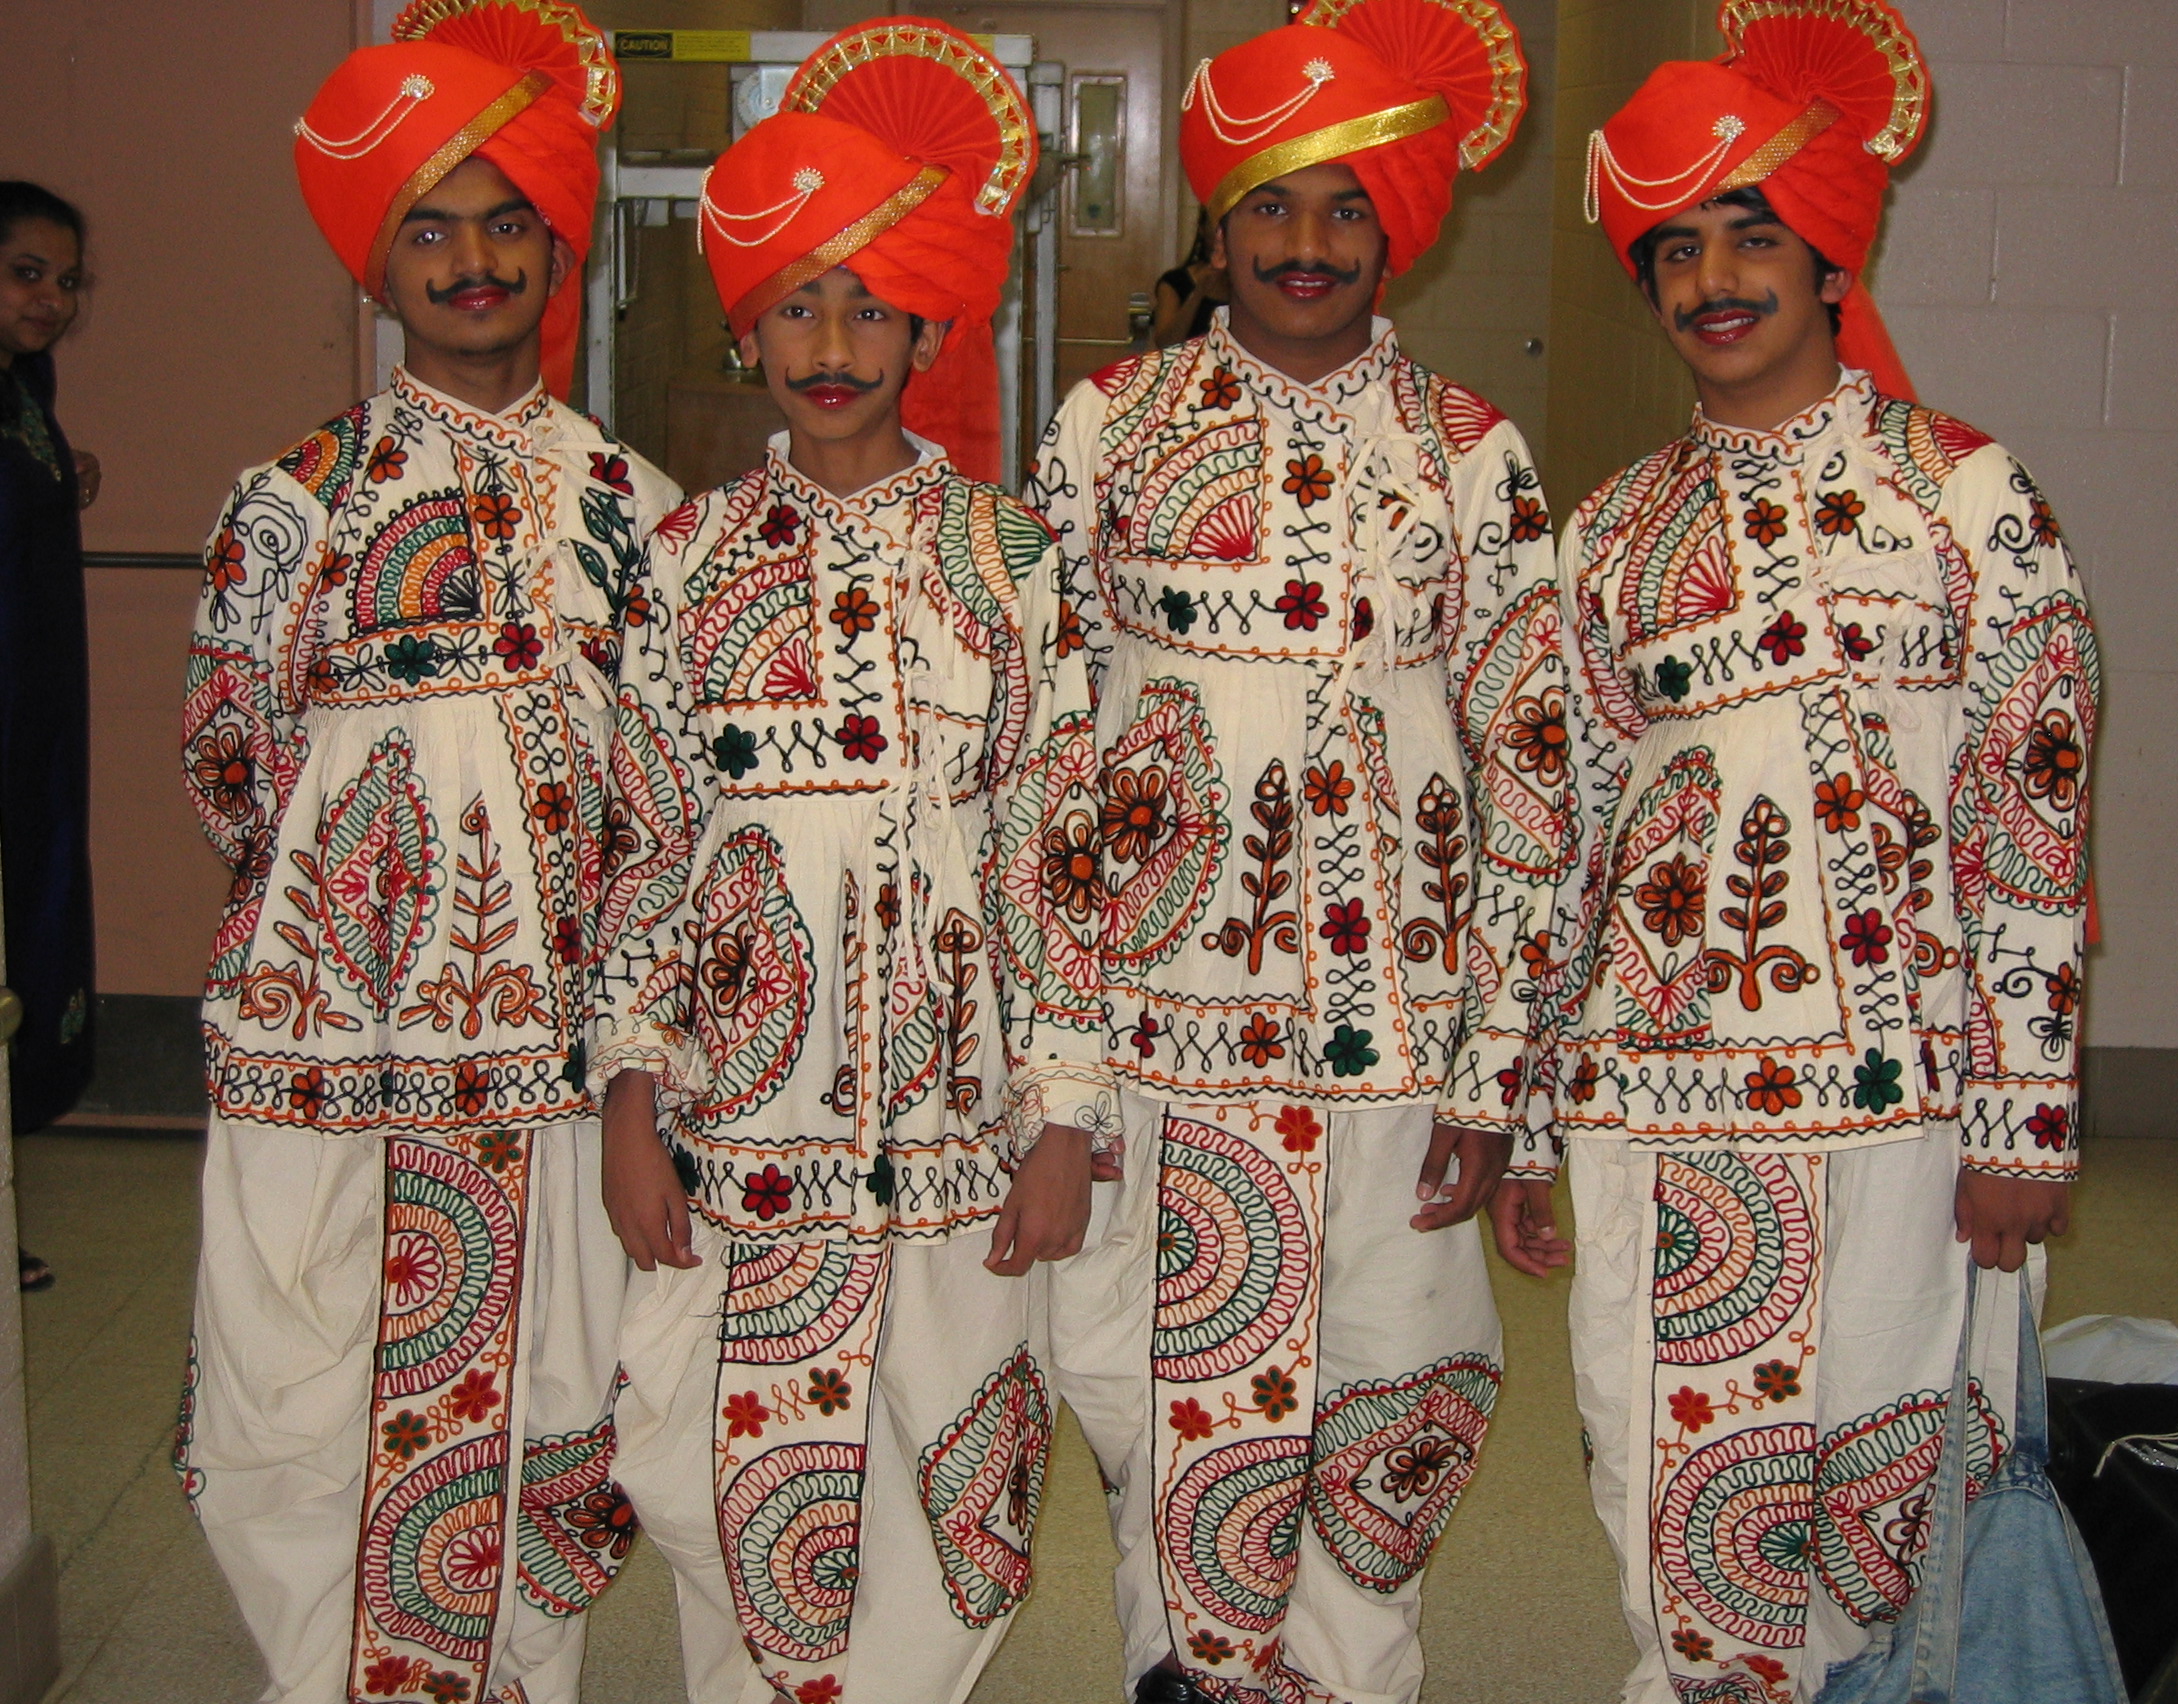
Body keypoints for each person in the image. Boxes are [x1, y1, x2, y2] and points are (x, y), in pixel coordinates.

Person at [1503, 3, 2097, 1698]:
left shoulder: (1970, 500)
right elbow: (1553, 845)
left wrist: (2027, 1119)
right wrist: (1524, 1112)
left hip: (1908, 1106)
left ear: (1832, 254)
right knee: (1671, 1487)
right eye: (1674, 248)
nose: (1711, 277)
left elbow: (2032, 822)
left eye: (1750, 234)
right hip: (1659, 1102)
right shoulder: (1610, 535)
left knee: (1885, 1488)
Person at [1024, 1, 1556, 1698]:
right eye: (1268, 202)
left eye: (1343, 205)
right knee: (1168, 1398)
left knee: (1399, 1393)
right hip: (1161, 1039)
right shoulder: (1107, 425)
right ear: (1216, 222)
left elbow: (1535, 772)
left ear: (1401, 227)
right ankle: (1186, 1670)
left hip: (1402, 1041)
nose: (1305, 242)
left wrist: (1502, 1079)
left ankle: (1350, 1674)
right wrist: (1056, 1072)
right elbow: (1046, 752)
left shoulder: (1473, 452)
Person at [588, 22, 1107, 1704]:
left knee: (964, 1496)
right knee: (714, 1476)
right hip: (742, 1126)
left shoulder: (1010, 557)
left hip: (961, 1125)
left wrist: (1064, 1116)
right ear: (744, 326)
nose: (832, 342)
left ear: (932, 329)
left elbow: (1050, 847)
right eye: (798, 304)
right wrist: (629, 1101)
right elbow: (647, 846)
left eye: (872, 306)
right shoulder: (685, 560)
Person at [174, 6, 679, 1701]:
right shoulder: (293, 501)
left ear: (559, 245)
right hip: (331, 1050)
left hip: (555, 1072)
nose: (474, 260)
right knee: (303, 1391)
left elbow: (661, 805)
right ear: (376, 261)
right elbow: (230, 765)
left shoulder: (638, 510)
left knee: (551, 1404)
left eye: (507, 222)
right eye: (431, 228)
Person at [0, 181, 99, 1293]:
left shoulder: (26, 386)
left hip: (29, 727)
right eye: (27, 274)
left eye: (65, 281)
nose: (51, 301)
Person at [1148, 209, 1228, 350]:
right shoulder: (1175, 282)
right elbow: (1166, 344)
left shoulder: (1249, 284)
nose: (1221, 234)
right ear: (1202, 228)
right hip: (1187, 362)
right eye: (1216, 225)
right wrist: (1198, 293)